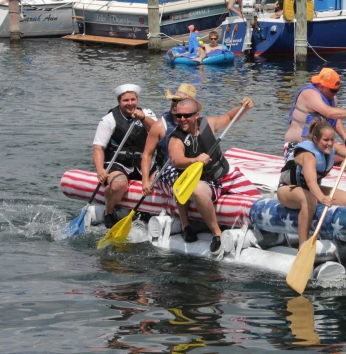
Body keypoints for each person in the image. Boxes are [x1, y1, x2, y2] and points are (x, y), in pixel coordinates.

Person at [163, 97, 253, 254]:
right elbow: (176, 160)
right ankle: (216, 234)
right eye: (179, 116)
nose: (182, 119)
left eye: (187, 116)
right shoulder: (176, 138)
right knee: (196, 189)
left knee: (255, 199)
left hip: (224, 175)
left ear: (196, 115)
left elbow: (229, 118)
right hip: (201, 181)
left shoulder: (208, 124)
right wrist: (195, 160)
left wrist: (243, 108)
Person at [278, 122, 346, 245]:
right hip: (288, 189)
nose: (329, 143)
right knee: (310, 200)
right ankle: (303, 244)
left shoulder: (333, 148)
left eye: (332, 139)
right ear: (315, 139)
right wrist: (322, 198)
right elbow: (311, 181)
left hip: (311, 190)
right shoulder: (309, 156)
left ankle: (339, 238)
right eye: (326, 140)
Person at [93, 84, 157, 228]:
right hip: (118, 162)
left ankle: (150, 211)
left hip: (143, 162)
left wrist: (144, 119)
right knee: (119, 184)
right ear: (119, 102)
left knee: (159, 185)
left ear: (137, 100)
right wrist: (100, 170)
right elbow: (98, 147)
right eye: (125, 100)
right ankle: (109, 212)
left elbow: (158, 131)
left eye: (133, 100)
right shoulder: (109, 119)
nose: (130, 104)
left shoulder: (147, 114)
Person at [140, 83, 201, 196]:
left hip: (190, 168)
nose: (175, 104)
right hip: (164, 171)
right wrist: (145, 182)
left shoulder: (197, 124)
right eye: (174, 100)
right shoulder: (160, 126)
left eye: (180, 102)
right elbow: (147, 155)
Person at [284, 68, 346, 160]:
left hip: (320, 146)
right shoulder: (309, 94)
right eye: (333, 90)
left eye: (337, 90)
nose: (335, 93)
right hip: (298, 146)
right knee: (313, 160)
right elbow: (329, 112)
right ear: (321, 86)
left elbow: (334, 118)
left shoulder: (332, 98)